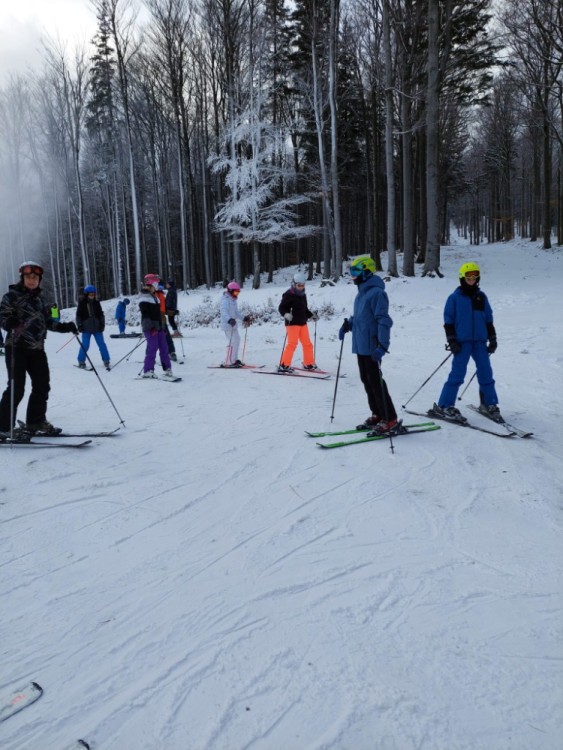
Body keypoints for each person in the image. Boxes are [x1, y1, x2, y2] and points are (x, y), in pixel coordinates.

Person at [0, 260, 78, 436]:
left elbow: (49, 322)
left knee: (42, 386)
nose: (32, 280)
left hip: (37, 350)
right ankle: (3, 427)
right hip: (17, 348)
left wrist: (64, 327)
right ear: (22, 278)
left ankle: (35, 422)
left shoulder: (41, 300)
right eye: (28, 277)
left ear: (39, 280)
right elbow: (3, 317)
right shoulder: (11, 296)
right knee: (16, 388)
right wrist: (8, 322)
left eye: (35, 278)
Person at [431, 261, 501, 421]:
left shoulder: (481, 297)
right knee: (458, 374)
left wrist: (493, 339)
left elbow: (488, 320)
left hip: (480, 342)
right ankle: (445, 405)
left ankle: (489, 403)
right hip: (462, 343)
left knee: (486, 373)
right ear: (462, 278)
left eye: (475, 277)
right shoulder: (454, 298)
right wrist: (452, 341)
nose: (472, 280)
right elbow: (448, 322)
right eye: (469, 277)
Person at [339, 255, 399, 434]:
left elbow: (383, 321)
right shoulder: (361, 294)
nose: (353, 275)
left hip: (373, 346)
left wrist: (382, 346)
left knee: (376, 381)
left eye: (356, 271)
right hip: (361, 345)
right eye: (351, 271)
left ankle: (390, 418)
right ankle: (378, 414)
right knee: (366, 380)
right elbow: (361, 318)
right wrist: (349, 324)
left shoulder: (377, 293)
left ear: (366, 271)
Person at [277, 273, 319, 372]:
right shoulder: (289, 294)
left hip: (302, 323)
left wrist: (311, 315)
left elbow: (304, 309)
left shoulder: (303, 295)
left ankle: (308, 363)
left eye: (303, 285)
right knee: (292, 344)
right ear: (294, 284)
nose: (301, 287)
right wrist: (286, 314)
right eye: (299, 285)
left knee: (307, 344)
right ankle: (284, 365)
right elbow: (281, 307)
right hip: (292, 323)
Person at [139, 273, 176, 379]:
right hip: (150, 328)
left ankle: (167, 369)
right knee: (152, 348)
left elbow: (159, 313)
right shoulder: (144, 297)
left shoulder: (154, 296)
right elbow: (145, 314)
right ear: (151, 284)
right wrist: (151, 327)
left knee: (164, 348)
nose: (157, 285)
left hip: (159, 326)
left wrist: (162, 326)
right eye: (156, 283)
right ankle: (148, 370)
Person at [76, 285, 111, 371]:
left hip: (97, 328)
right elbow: (78, 315)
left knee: (102, 344)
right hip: (86, 329)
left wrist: (102, 325)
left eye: (93, 294)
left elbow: (101, 315)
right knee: (85, 345)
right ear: (86, 294)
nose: (92, 296)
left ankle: (106, 360)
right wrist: (79, 325)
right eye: (90, 294)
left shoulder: (96, 303)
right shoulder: (82, 303)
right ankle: (81, 361)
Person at [219, 281, 251, 367]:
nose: (236, 294)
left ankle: (234, 359)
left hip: (233, 325)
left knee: (237, 340)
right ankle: (229, 361)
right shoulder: (225, 300)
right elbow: (223, 312)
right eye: (235, 292)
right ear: (230, 291)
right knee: (233, 341)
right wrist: (229, 320)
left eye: (238, 293)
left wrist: (243, 318)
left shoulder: (233, 300)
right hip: (227, 325)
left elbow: (236, 313)